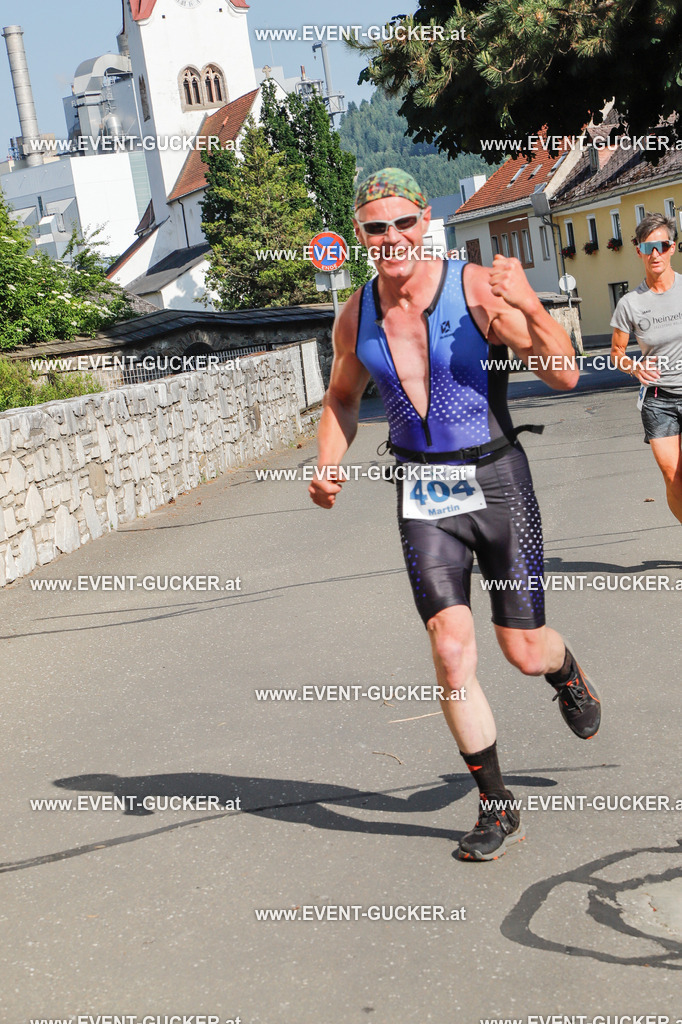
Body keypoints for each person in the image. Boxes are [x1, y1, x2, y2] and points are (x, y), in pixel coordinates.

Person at [308, 168, 601, 861]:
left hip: (496, 476)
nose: (392, 238)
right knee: (449, 650)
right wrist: (328, 461)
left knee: (522, 649)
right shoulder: (355, 315)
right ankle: (497, 807)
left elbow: (563, 374)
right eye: (377, 227)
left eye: (404, 223)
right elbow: (342, 397)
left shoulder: (470, 288)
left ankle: (566, 673)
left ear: (425, 221)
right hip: (422, 489)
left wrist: (529, 304)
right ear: (361, 235)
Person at [610, 211, 682, 524]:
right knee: (673, 477)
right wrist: (633, 368)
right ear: (638, 250)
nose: (655, 254)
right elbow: (616, 353)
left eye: (661, 246)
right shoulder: (630, 303)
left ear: (673, 248)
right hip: (658, 400)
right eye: (646, 247)